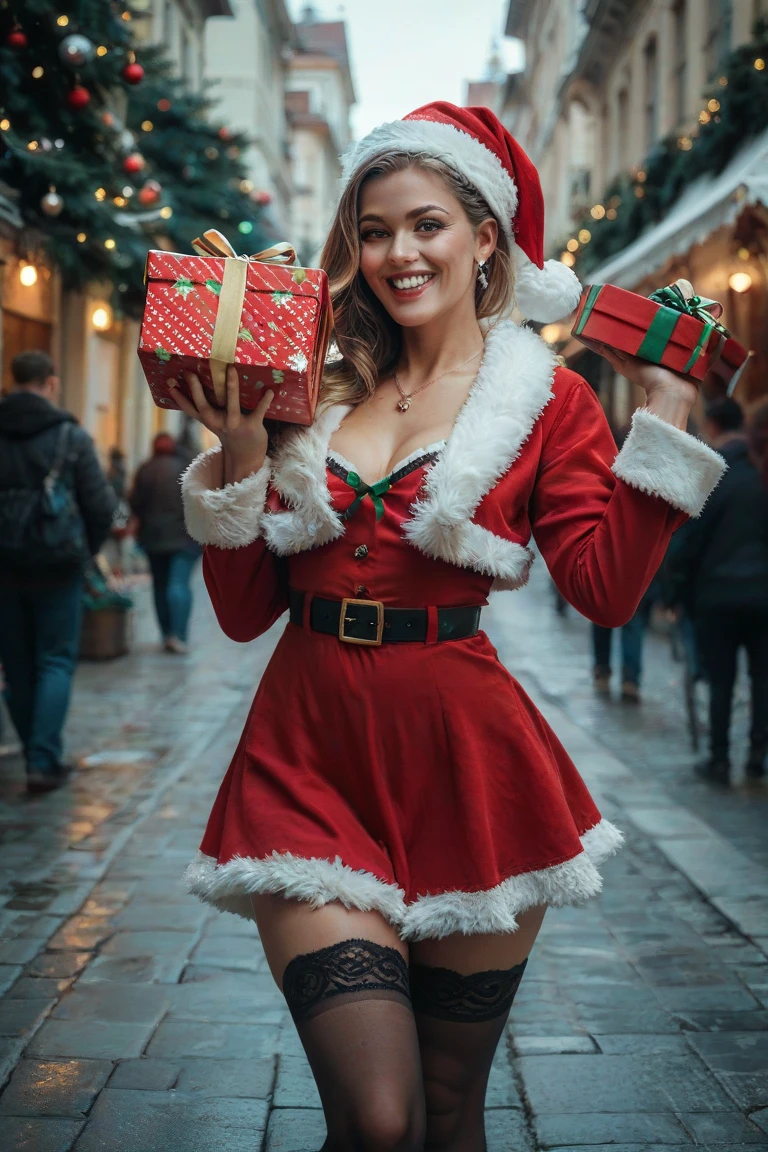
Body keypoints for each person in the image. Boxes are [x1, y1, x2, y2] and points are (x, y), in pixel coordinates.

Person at [173, 103, 724, 1149]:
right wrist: (242, 447)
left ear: (485, 237)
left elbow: (605, 591)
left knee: (451, 1108)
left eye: (426, 224)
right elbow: (245, 616)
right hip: (307, 755)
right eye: (374, 231)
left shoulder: (548, 401)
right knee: (378, 1121)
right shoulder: (311, 387)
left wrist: (667, 420)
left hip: (472, 768)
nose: (397, 253)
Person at [0, 350, 115, 794]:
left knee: (17, 664)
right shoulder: (69, 435)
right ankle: (43, 760)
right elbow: (101, 506)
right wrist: (84, 550)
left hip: (4, 568)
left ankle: (34, 749)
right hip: (57, 567)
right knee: (54, 660)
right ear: (51, 382)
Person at [665, 397, 768, 786]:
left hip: (717, 597)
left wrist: (676, 594)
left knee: (720, 680)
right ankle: (758, 754)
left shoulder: (714, 477)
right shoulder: (762, 477)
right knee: (763, 679)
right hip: (763, 596)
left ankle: (720, 757)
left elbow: (689, 542)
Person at [129, 432, 201, 654]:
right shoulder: (188, 467)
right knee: (178, 584)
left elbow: (135, 503)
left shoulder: (146, 469)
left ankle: (166, 634)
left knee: (160, 587)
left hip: (154, 538)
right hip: (185, 538)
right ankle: (178, 635)